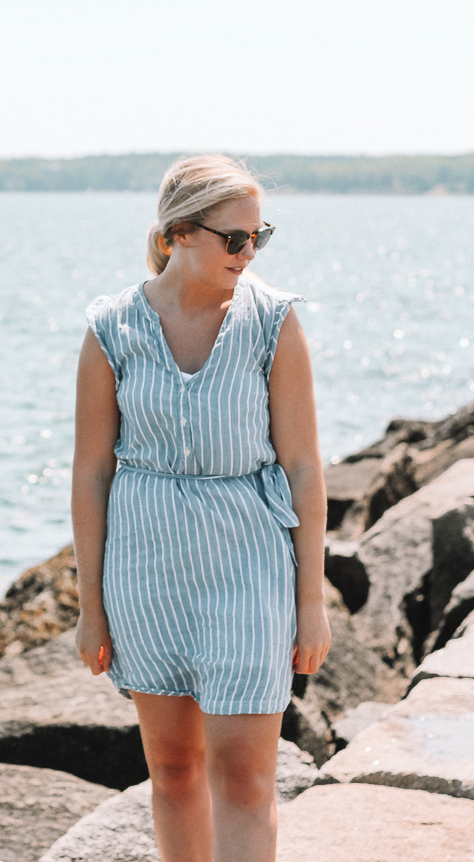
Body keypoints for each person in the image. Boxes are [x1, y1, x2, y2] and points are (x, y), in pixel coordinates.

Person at [71, 154, 331, 862]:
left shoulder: (273, 322)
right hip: (145, 570)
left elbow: (304, 468)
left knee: (245, 779)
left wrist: (312, 601)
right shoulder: (111, 329)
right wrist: (90, 604)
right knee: (176, 772)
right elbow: (92, 473)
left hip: (249, 565)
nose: (249, 254)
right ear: (180, 232)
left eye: (259, 237)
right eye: (235, 238)